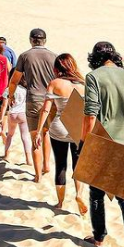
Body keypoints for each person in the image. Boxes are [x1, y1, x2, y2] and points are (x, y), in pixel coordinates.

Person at [81, 41, 124, 247]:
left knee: (96, 192)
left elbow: (90, 114)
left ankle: (99, 236)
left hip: (102, 144)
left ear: (94, 59)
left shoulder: (94, 77)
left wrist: (85, 142)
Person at [35, 53, 87, 214]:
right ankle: (79, 194)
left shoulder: (55, 83)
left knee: (61, 165)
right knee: (78, 166)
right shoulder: (84, 84)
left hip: (59, 127)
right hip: (77, 128)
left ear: (57, 68)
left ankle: (60, 202)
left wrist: (38, 132)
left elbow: (45, 109)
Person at [8, 28, 56, 182]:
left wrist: (10, 96)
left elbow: (14, 80)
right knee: (46, 132)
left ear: (31, 40)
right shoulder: (54, 56)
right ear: (45, 40)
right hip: (51, 99)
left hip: (34, 98)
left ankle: (37, 175)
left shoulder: (25, 56)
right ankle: (47, 165)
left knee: (35, 134)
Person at [3, 77, 32, 165]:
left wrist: (1, 117)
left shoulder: (9, 89)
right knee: (25, 136)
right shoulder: (26, 90)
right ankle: (28, 159)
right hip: (23, 114)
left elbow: (4, 105)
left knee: (10, 135)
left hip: (12, 114)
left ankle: (6, 155)